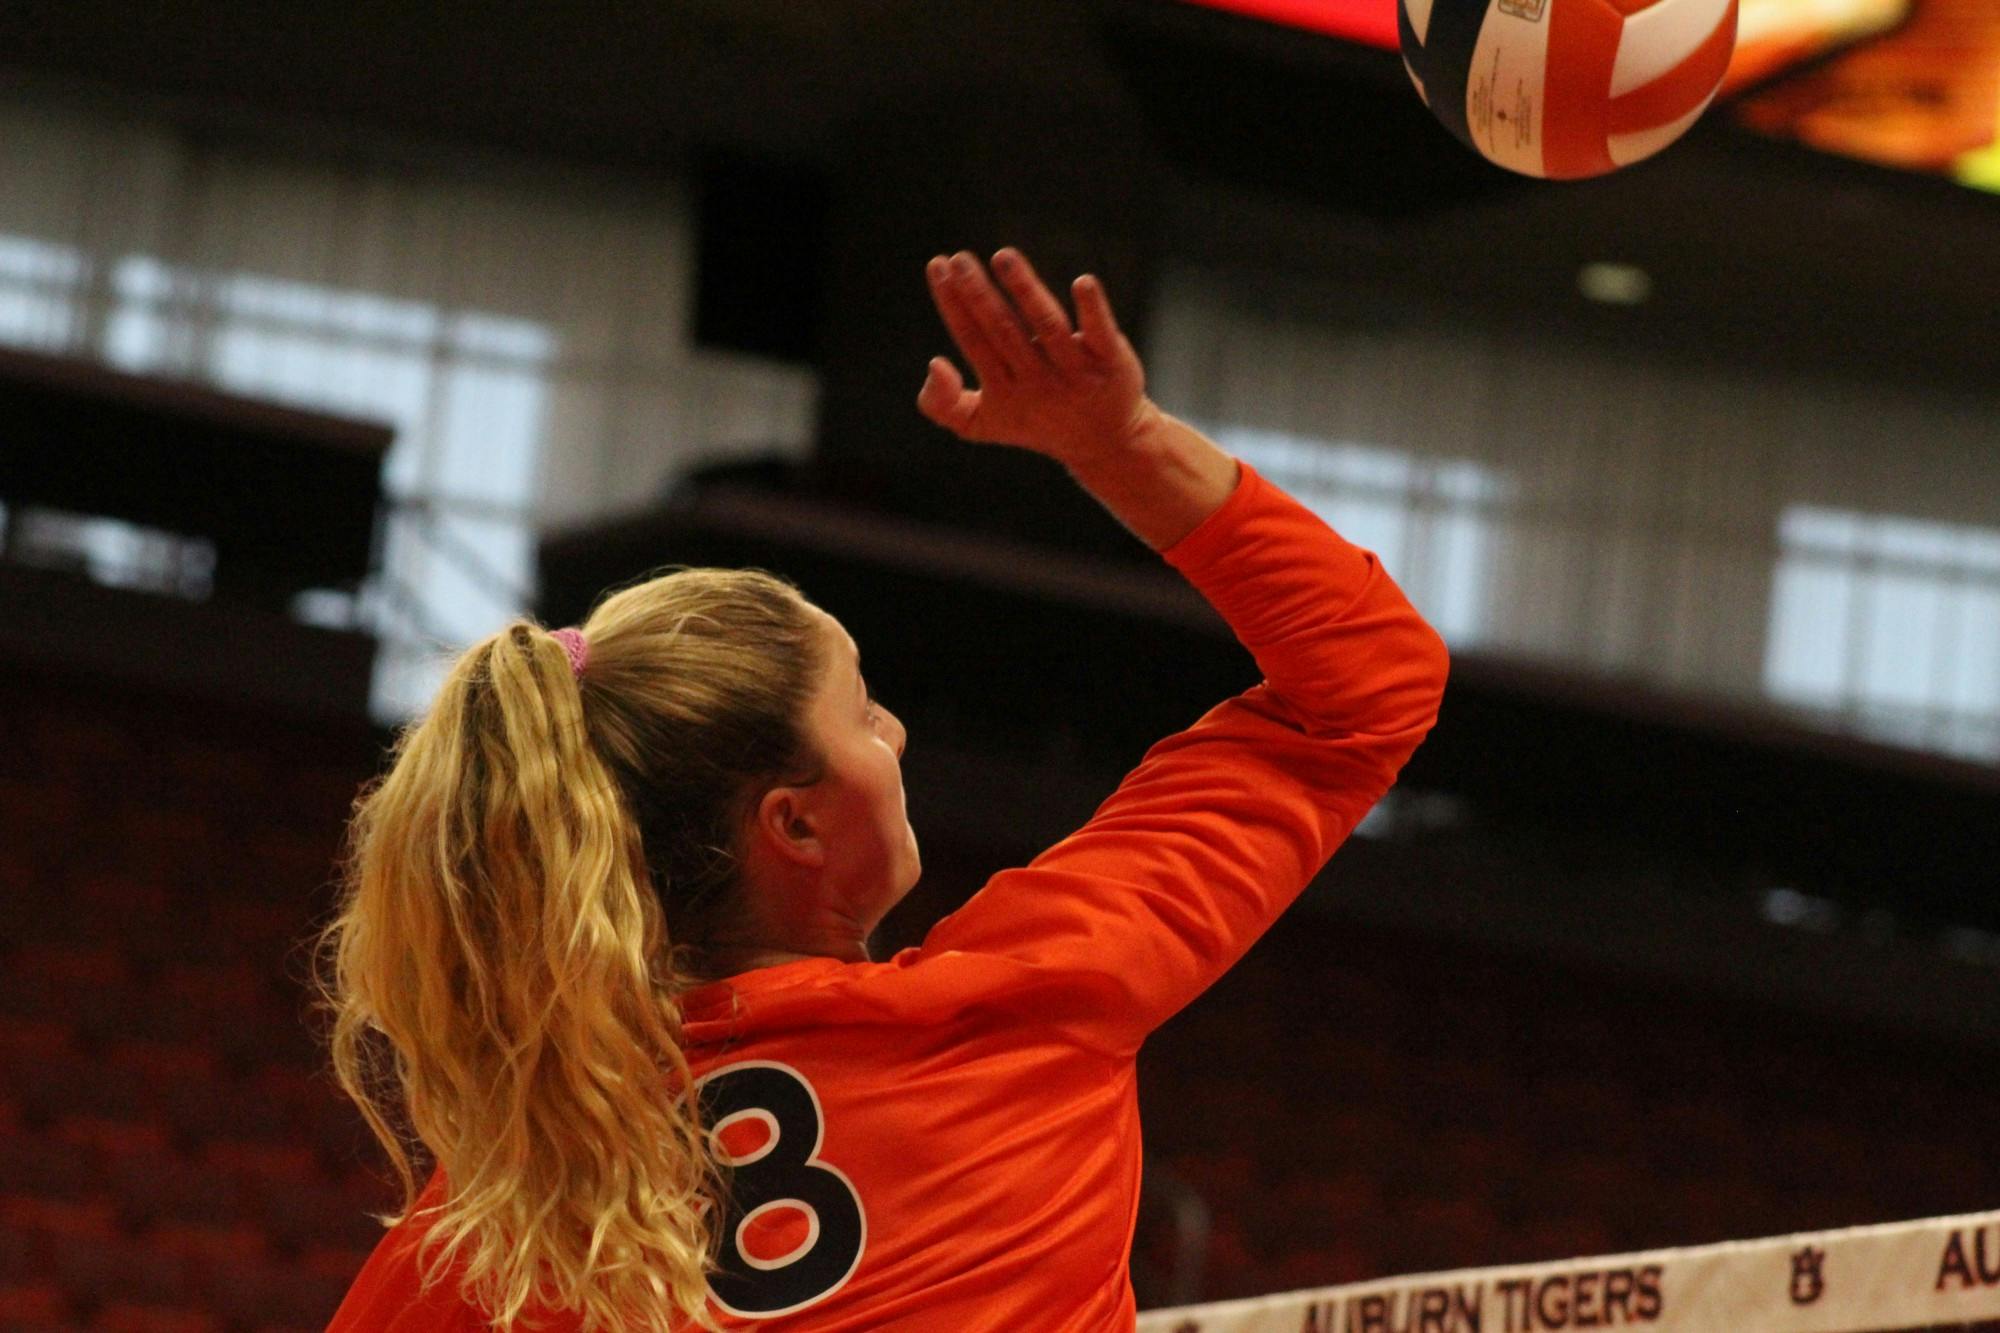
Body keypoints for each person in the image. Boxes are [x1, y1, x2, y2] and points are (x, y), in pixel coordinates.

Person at [320, 248, 1449, 1331]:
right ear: (794, 821)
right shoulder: (1025, 1010)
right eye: (862, 711)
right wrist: (1124, 446)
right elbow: (1364, 683)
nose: (895, 730)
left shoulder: (506, 1219)